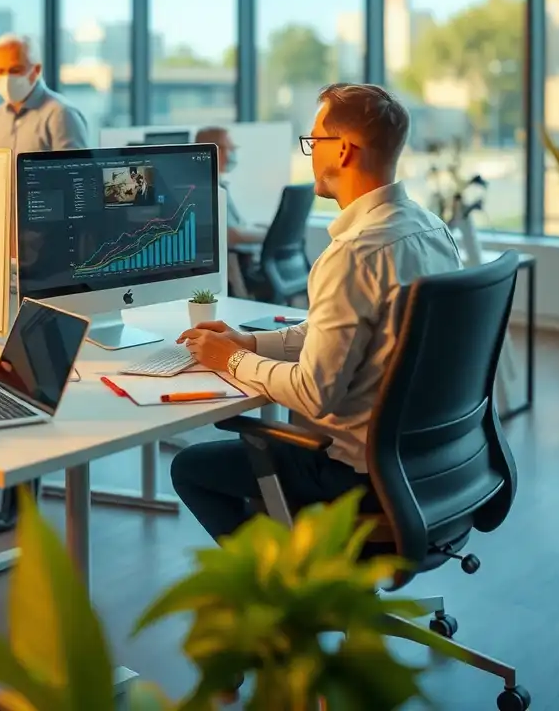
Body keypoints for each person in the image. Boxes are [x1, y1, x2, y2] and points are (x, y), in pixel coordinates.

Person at [174, 84, 463, 542]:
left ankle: (289, 592)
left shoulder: (354, 255)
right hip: (435, 466)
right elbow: (342, 334)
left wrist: (228, 361)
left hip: (360, 480)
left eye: (313, 141)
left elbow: (313, 394)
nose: (309, 154)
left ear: (343, 150)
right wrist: (250, 343)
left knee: (191, 467)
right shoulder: (431, 230)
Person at [0, 33, 90, 531]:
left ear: (36, 67)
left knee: (33, 375)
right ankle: (12, 484)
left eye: (15, 67)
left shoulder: (60, 115)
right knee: (4, 372)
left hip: (49, 266)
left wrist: (42, 234)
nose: (7, 77)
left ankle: (25, 494)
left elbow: (82, 185)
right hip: (3, 266)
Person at [0, 33, 90, 154]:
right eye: (0, 71)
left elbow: (74, 170)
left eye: (15, 70)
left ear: (36, 70)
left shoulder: (61, 114)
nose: (7, 78)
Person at [195, 126, 265, 297]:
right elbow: (231, 235)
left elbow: (238, 226)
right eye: (229, 148)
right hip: (232, 267)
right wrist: (273, 233)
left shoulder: (220, 185)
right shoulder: (204, 190)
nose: (233, 153)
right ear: (213, 150)